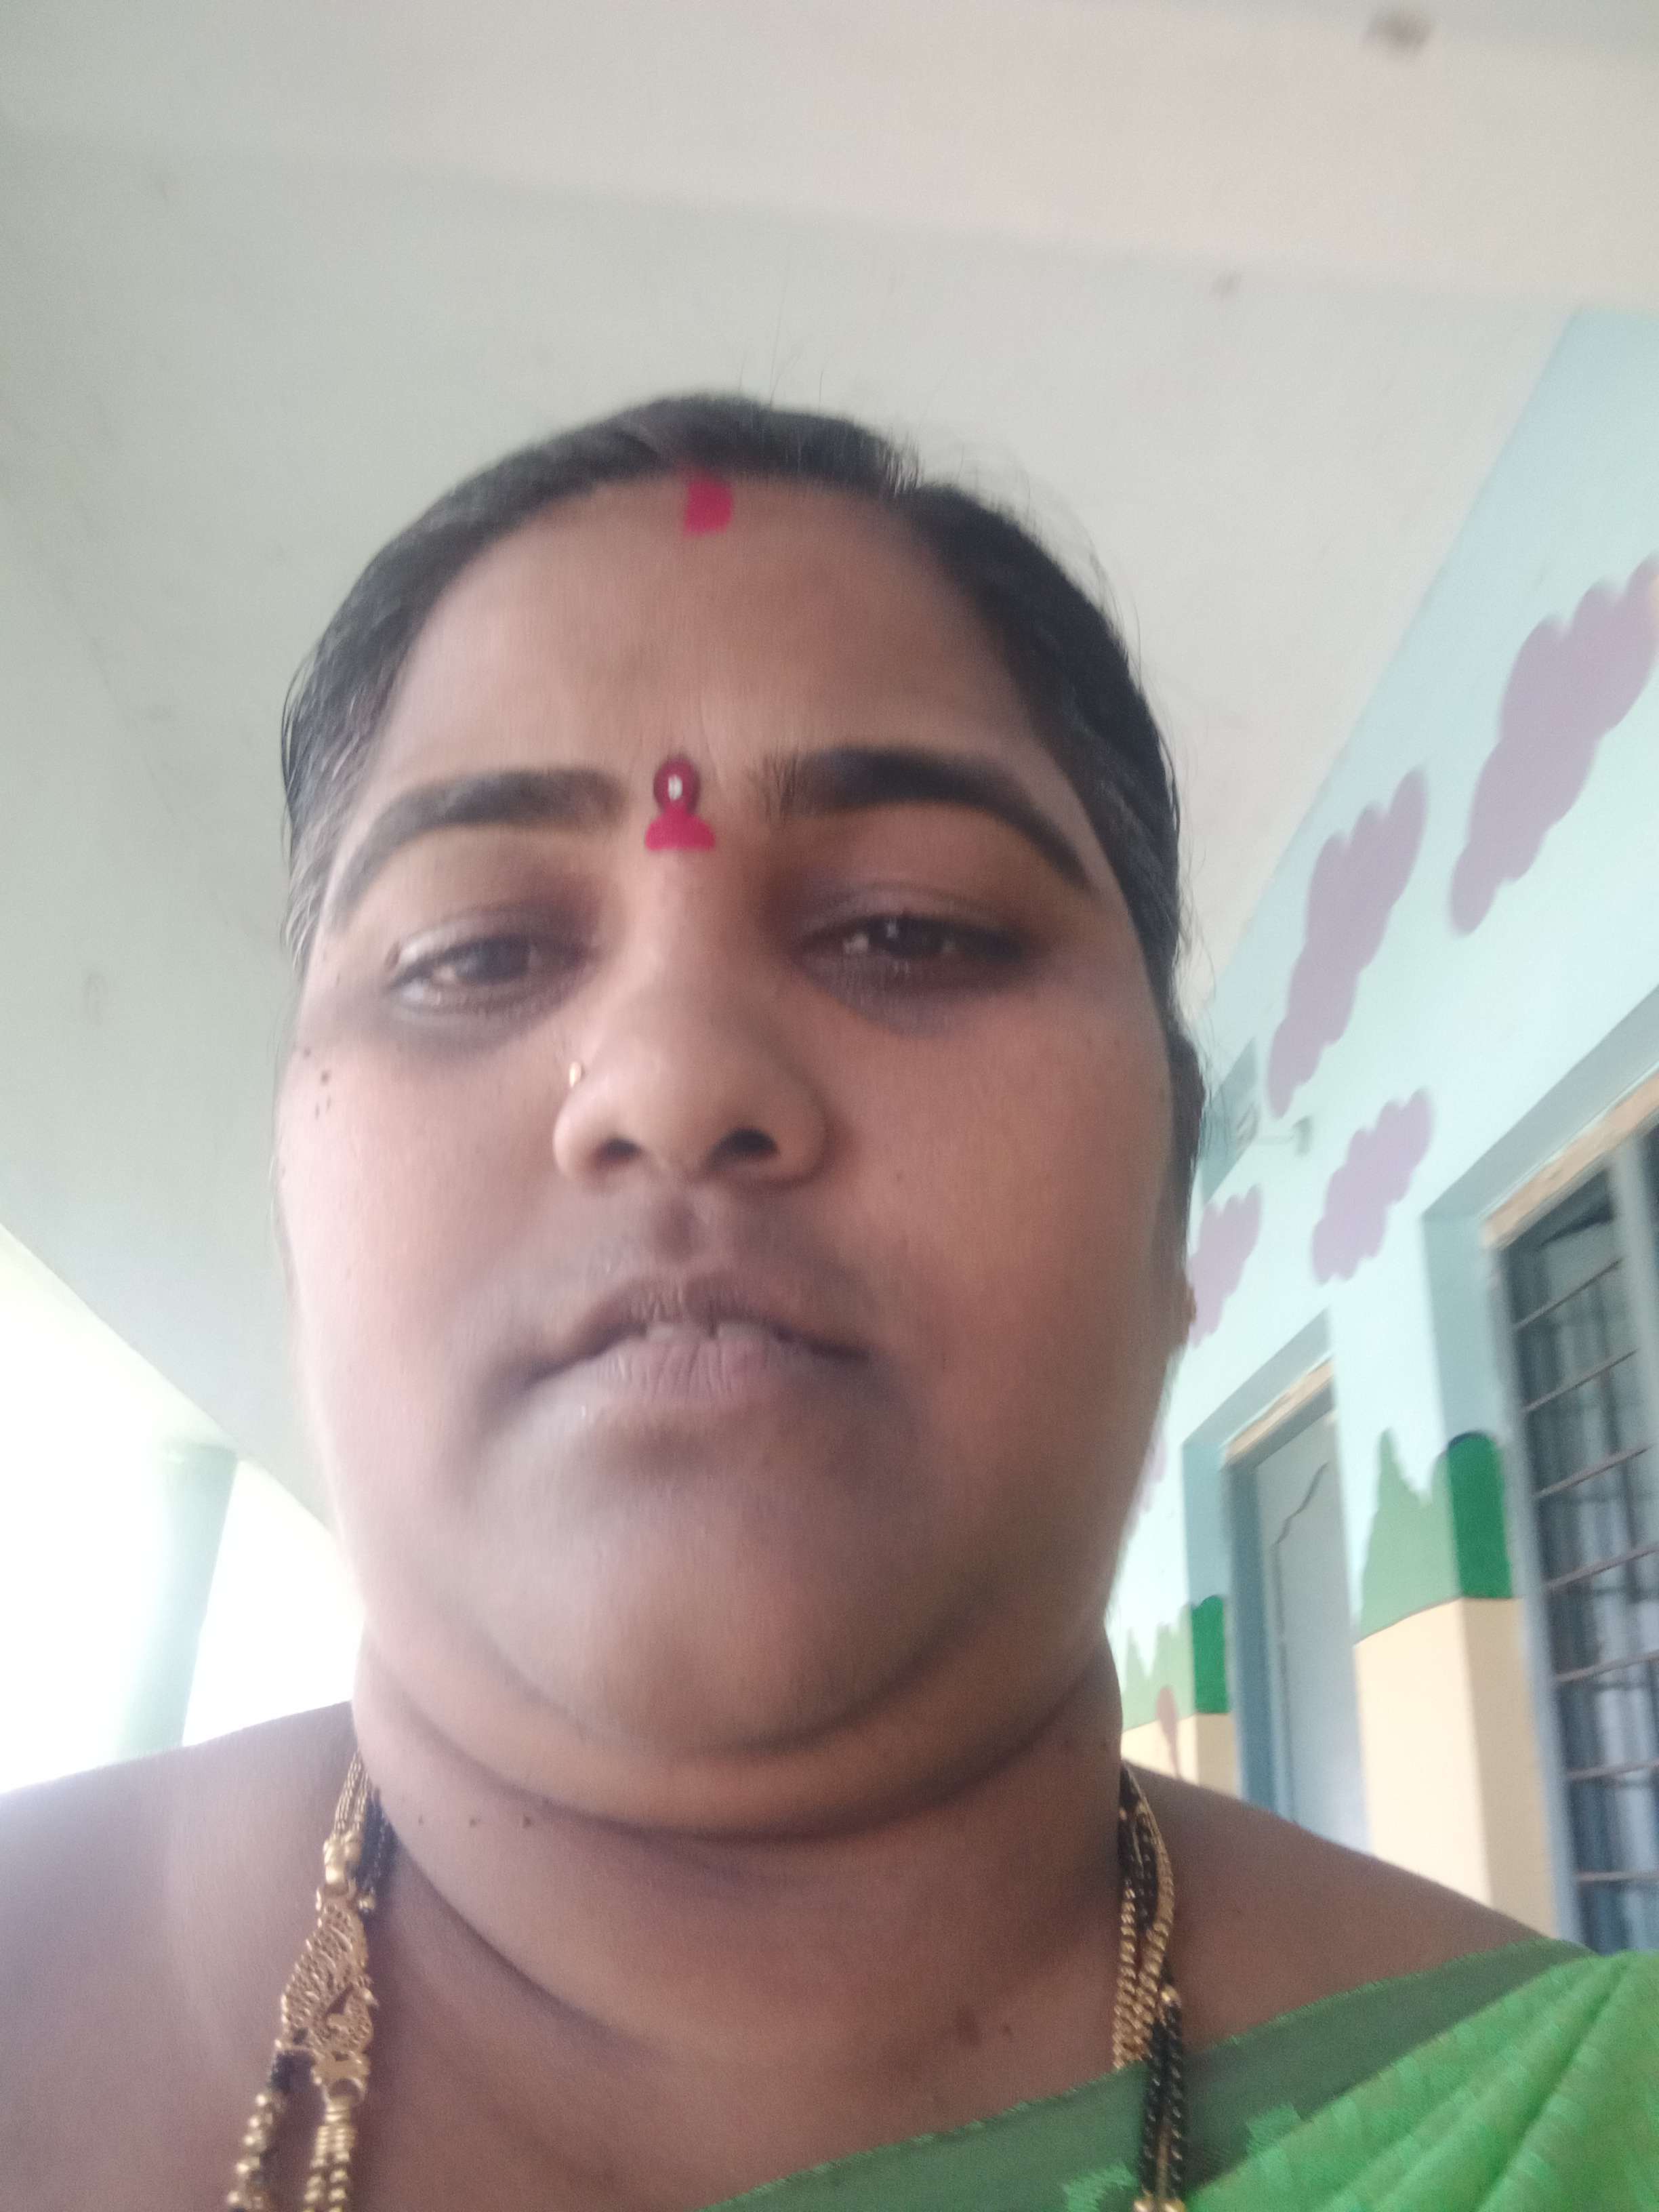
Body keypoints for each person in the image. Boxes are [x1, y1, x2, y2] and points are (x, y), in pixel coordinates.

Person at [1, 396, 1653, 2211]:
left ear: (1170, 1197)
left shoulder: (1585, 2134)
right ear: (292, 1201)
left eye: (912, 929)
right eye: (477, 951)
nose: (671, 1077)